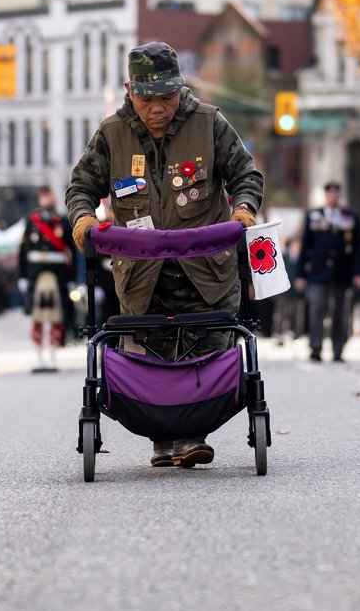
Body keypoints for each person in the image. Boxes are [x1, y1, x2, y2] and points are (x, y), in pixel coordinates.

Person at [67, 40, 263, 468]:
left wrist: (244, 210)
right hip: (142, 275)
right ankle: (164, 437)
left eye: (168, 98)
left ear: (181, 89)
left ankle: (191, 434)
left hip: (206, 271)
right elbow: (81, 187)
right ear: (129, 91)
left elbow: (245, 174)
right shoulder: (112, 134)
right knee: (152, 363)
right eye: (147, 99)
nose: (159, 108)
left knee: (207, 356)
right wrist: (83, 220)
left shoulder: (209, 123)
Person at [296, 182, 360, 363]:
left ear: (341, 195)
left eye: (337, 193)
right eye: (330, 193)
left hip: (341, 273)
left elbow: (359, 248)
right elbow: (305, 246)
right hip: (318, 273)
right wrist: (300, 274)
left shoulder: (350, 217)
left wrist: (359, 272)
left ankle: (338, 349)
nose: (334, 196)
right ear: (326, 195)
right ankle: (315, 347)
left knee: (339, 313)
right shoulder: (314, 216)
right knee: (317, 310)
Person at [18, 186, 76, 372]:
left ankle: (52, 355)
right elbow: (23, 251)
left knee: (56, 317)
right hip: (36, 275)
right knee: (37, 318)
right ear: (39, 198)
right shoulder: (32, 221)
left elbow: (72, 252)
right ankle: (38, 356)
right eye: (44, 196)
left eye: (49, 195)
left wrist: (72, 279)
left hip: (57, 275)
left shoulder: (63, 222)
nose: (47, 199)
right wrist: (23, 276)